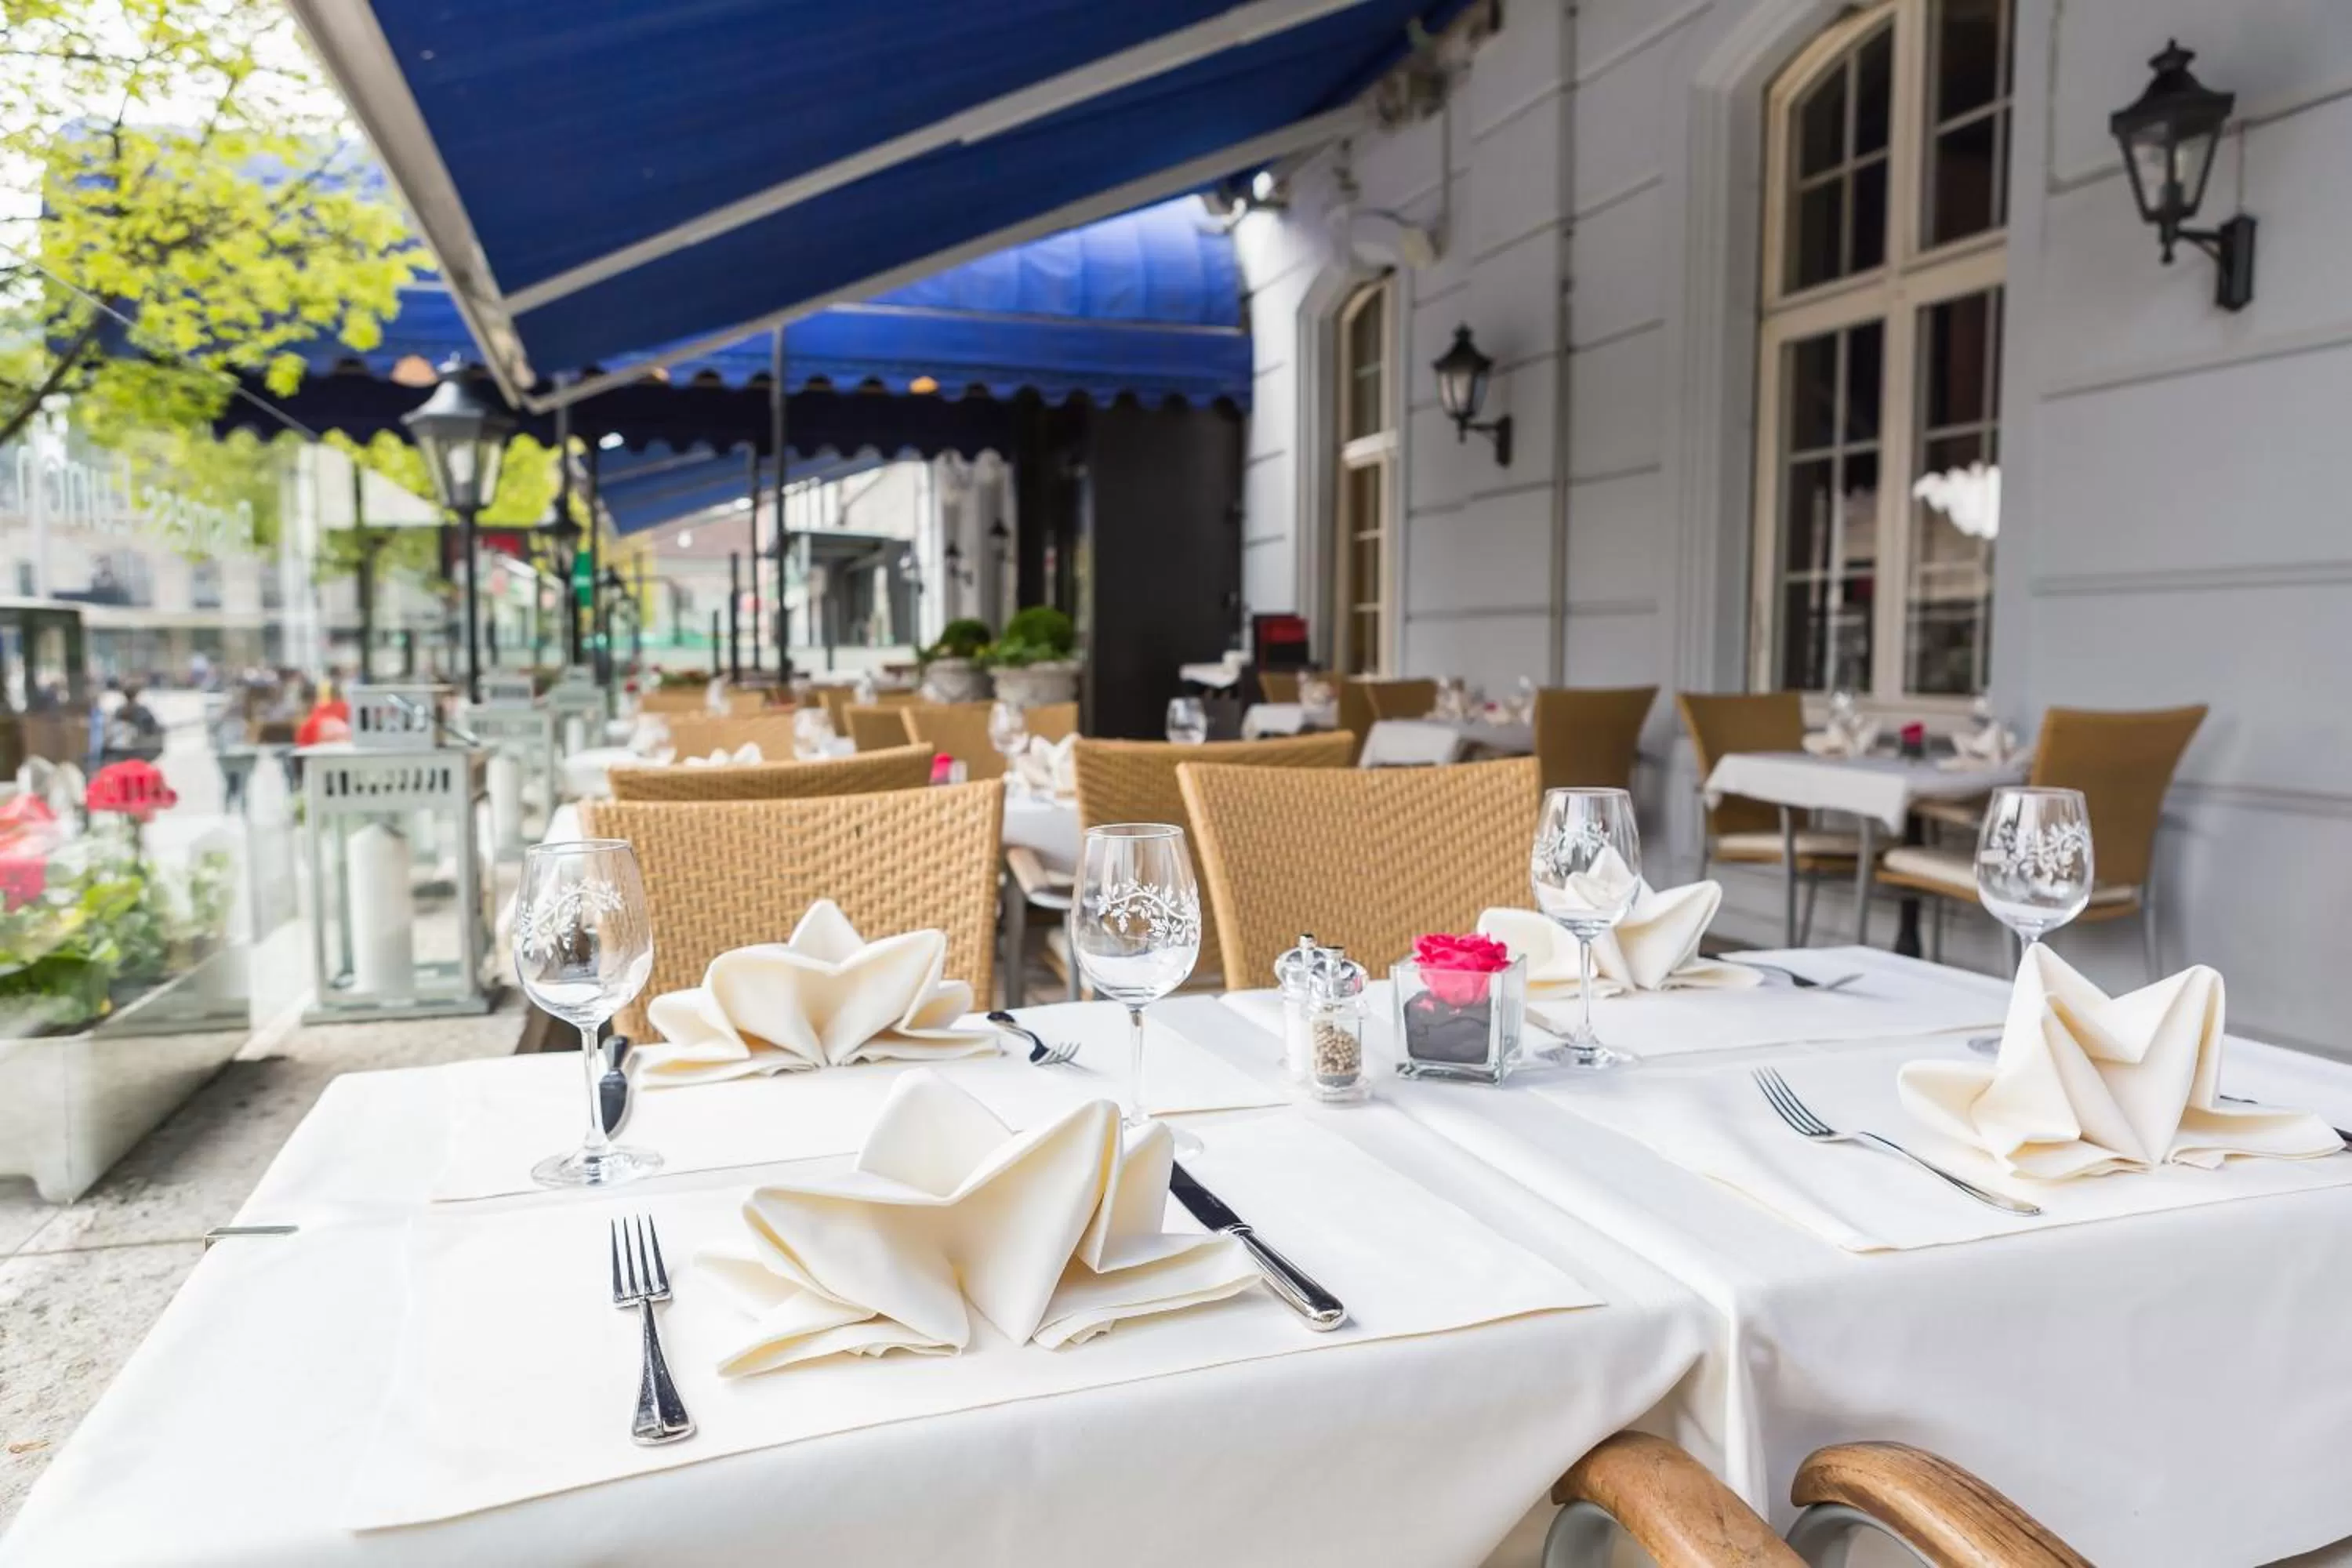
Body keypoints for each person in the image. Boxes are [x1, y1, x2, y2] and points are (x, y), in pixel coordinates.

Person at [103, 684, 165, 764]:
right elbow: (151, 729)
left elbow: (111, 729)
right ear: (137, 695)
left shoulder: (119, 710)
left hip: (119, 750)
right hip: (139, 750)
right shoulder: (142, 710)